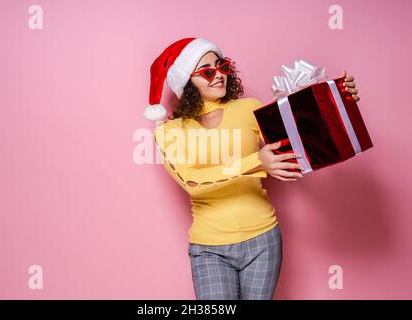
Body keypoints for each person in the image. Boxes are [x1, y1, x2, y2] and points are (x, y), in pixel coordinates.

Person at [144, 37, 360, 300]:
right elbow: (191, 180)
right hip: (209, 248)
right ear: (187, 83)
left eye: (221, 66)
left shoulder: (250, 109)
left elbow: (302, 142)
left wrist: (338, 100)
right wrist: (256, 161)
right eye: (208, 72)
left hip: (264, 240)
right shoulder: (169, 132)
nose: (219, 75)